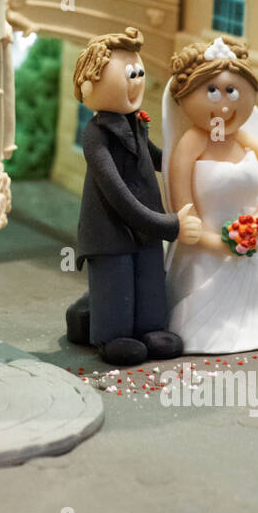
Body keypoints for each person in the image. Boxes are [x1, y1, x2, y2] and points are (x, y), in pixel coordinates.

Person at [68, 28, 201, 366]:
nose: (137, 80)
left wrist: (191, 155)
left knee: (150, 284)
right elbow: (118, 196)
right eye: (129, 74)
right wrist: (168, 225)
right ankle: (111, 336)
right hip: (109, 234)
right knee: (117, 289)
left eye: (138, 72)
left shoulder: (137, 124)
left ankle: (150, 329)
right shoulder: (95, 136)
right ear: (89, 86)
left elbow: (159, 158)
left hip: (145, 233)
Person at [161, 38, 258, 354]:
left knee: (251, 301)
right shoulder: (191, 144)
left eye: (233, 91)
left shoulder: (247, 141)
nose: (225, 105)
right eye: (212, 92)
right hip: (204, 253)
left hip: (249, 247)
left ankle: (256, 321)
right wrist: (219, 243)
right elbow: (182, 206)